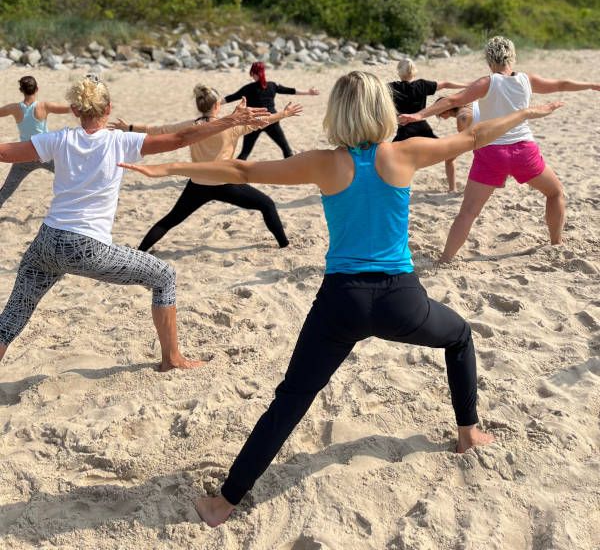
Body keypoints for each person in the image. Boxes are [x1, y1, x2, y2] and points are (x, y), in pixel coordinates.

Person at [120, 70, 562, 526]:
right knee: (459, 336)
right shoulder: (406, 153)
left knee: (291, 399)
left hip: (340, 303)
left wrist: (170, 168)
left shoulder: (324, 163)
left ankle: (222, 503)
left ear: (339, 113)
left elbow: (241, 169)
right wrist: (526, 112)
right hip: (400, 300)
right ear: (382, 111)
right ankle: (468, 432)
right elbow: (476, 138)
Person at [0, 75, 268, 371]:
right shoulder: (120, 141)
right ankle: (172, 359)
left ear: (75, 110)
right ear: (109, 108)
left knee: (14, 314)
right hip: (85, 247)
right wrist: (229, 122)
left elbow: (3, 152)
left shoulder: (57, 139)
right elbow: (181, 139)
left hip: (46, 241)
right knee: (164, 276)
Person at [398, 36, 600, 261]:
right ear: (512, 57)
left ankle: (446, 259)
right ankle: (556, 243)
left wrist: (418, 115)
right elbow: (561, 84)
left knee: (468, 212)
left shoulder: (487, 82)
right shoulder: (526, 79)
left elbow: (452, 101)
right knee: (555, 193)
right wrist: (591, 85)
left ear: (489, 60)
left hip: (490, 153)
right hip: (524, 151)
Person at [110, 84, 302, 252]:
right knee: (267, 204)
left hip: (198, 183)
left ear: (200, 107)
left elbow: (159, 129)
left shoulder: (192, 126)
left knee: (169, 221)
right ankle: (284, 244)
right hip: (227, 183)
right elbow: (262, 122)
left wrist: (130, 127)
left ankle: (141, 250)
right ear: (217, 106)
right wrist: (284, 114)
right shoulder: (232, 127)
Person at [0, 76, 71, 211]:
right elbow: (70, 109)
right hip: (46, 154)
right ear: (37, 89)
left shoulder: (14, 108)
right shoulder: (43, 106)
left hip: (24, 155)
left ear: (21, 90)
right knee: (71, 177)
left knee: (7, 189)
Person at [223, 61, 319, 159]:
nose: (252, 76)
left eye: (252, 74)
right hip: (272, 121)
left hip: (254, 122)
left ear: (253, 73)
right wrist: (308, 92)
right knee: (286, 150)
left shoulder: (247, 88)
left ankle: (234, 173)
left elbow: (231, 98)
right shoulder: (272, 85)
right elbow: (289, 90)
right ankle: (293, 172)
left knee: (244, 153)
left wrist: (215, 104)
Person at [390, 58, 466, 142]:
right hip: (421, 127)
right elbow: (446, 84)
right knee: (441, 151)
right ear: (414, 71)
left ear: (399, 72)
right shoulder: (422, 85)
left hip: (404, 129)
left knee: (392, 153)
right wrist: (468, 85)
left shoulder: (392, 87)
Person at [437, 102, 478, 192]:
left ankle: (452, 189)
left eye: (438, 113)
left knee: (449, 159)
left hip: (481, 138)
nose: (439, 117)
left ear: (446, 111)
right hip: (493, 133)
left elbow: (464, 140)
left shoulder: (461, 117)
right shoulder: (468, 103)